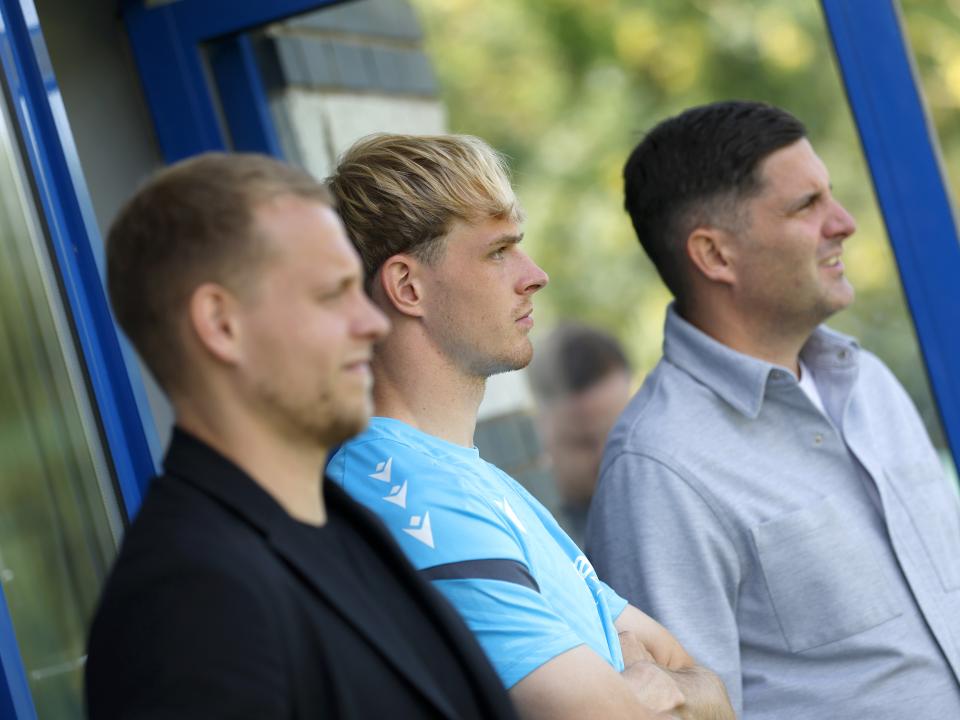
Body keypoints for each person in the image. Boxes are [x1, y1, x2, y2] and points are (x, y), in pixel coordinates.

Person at [85, 153, 521, 720]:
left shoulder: (343, 523)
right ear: (221, 324)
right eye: (331, 295)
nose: (371, 322)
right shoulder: (188, 600)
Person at [325, 133, 733, 720]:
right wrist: (643, 685)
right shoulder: (402, 488)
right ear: (408, 287)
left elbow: (708, 687)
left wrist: (655, 689)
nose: (535, 275)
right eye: (499, 251)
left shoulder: (483, 483)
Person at [587, 100, 960, 720]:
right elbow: (682, 710)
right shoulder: (659, 470)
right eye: (806, 205)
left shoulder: (868, 381)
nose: (843, 223)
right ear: (715, 255)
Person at [528, 323, 632, 546]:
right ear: (539, 430)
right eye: (585, 442)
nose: (609, 455)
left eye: (620, 432)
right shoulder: (532, 533)